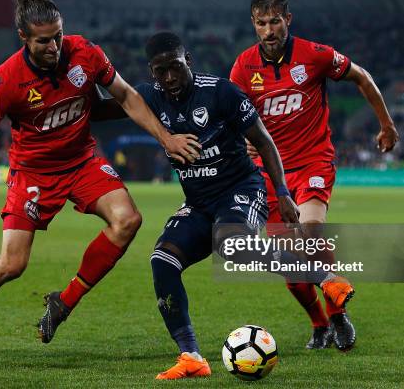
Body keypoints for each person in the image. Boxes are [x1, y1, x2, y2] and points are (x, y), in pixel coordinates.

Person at [0, 0, 200, 363]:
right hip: (33, 173)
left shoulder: (85, 53)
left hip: (82, 160)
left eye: (59, 35)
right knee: (12, 265)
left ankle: (65, 302)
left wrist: (165, 138)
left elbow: (124, 95)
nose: (55, 46)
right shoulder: (7, 79)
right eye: (44, 40)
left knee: (127, 220)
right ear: (24, 37)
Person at [136, 31, 355, 380]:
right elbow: (111, 99)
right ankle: (191, 357)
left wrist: (282, 192)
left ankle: (327, 280)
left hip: (241, 188)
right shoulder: (150, 97)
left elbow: (264, 143)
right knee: (162, 261)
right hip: (198, 202)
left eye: (175, 68)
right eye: (160, 71)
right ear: (152, 72)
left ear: (187, 60)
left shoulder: (219, 91)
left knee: (231, 245)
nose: (169, 78)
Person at [230, 0, 399, 351]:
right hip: (269, 174)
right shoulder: (244, 66)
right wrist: (241, 137)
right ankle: (319, 323)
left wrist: (386, 124)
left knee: (311, 231)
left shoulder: (315, 55)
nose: (269, 30)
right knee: (290, 263)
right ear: (254, 25)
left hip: (312, 161)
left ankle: (337, 315)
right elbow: (232, 111)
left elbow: (362, 77)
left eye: (275, 21)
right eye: (262, 23)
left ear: (287, 20)